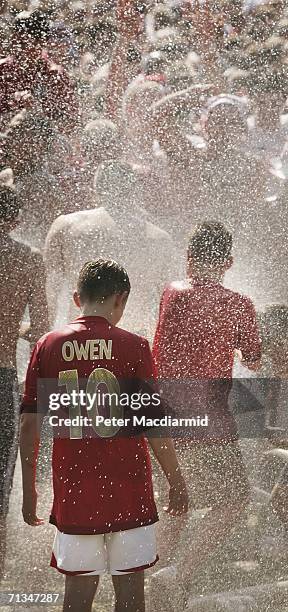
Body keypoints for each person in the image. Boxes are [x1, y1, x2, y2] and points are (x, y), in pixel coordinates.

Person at [20, 258, 188, 612]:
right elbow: (154, 426)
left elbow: (29, 426)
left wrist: (29, 490)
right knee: (130, 598)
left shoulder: (49, 345)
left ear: (77, 298)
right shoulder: (134, 346)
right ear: (120, 299)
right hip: (129, 491)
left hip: (75, 494)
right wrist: (176, 480)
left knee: (77, 599)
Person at [152, 221, 261, 603]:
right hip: (211, 423)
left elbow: (162, 352)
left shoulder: (172, 293)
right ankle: (179, 574)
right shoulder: (239, 304)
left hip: (165, 418)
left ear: (188, 257)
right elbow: (255, 355)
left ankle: (151, 581)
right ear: (229, 261)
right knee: (234, 500)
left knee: (175, 502)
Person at [44, 160, 179, 340]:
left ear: (95, 188)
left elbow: (49, 290)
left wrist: (44, 341)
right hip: (132, 340)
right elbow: (167, 305)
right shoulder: (159, 239)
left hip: (80, 339)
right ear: (133, 190)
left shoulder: (66, 226)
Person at [0, 185, 48, 578]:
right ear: (15, 219)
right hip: (3, 376)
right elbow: (43, 327)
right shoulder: (29, 258)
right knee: (1, 482)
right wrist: (13, 327)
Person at [0, 9, 79, 132]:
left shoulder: (55, 75)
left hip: (45, 142)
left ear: (41, 42)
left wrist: (39, 111)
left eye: (23, 43)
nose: (17, 47)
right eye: (14, 41)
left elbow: (71, 122)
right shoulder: (2, 69)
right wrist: (12, 102)